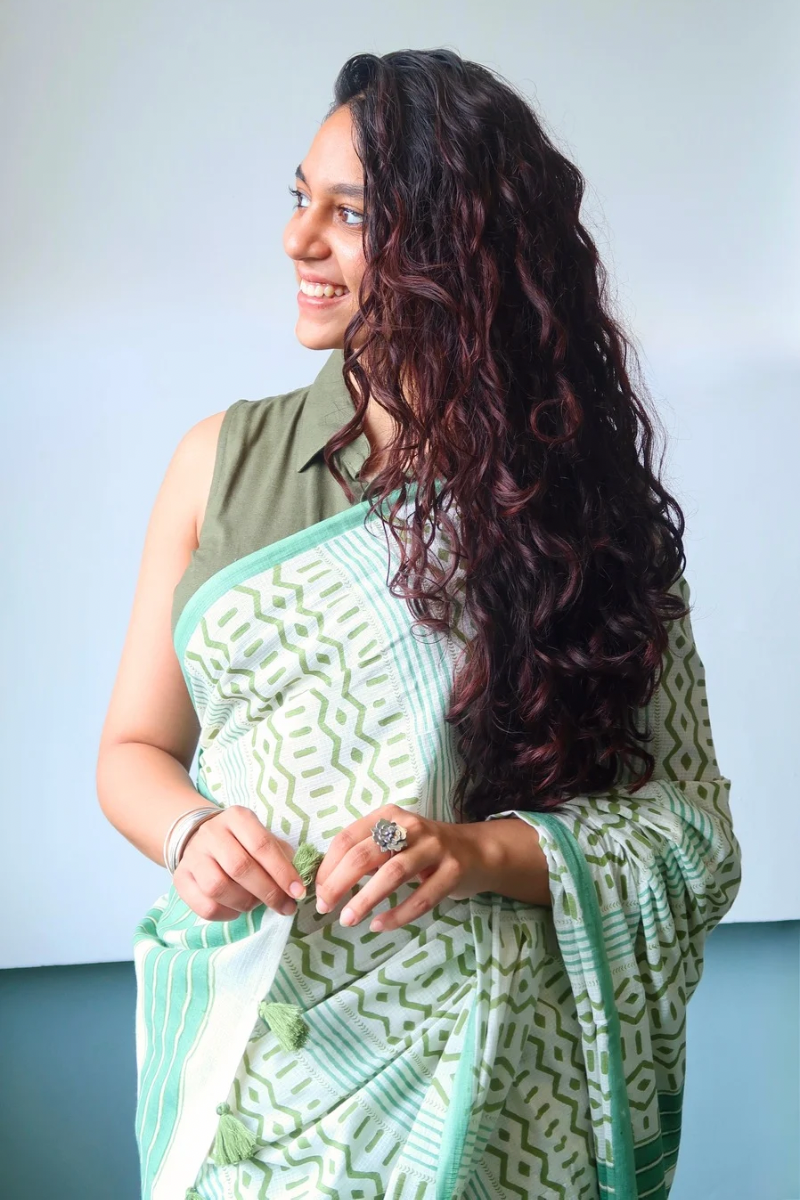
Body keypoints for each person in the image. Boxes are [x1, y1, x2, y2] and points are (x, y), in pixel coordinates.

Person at [96, 48, 741, 1200]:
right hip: (258, 1067)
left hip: (488, 1085)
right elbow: (132, 751)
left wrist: (475, 852)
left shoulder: (582, 513)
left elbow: (686, 834)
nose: (297, 240)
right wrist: (191, 835)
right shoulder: (219, 464)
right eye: (300, 199)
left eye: (349, 216)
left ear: (460, 245)